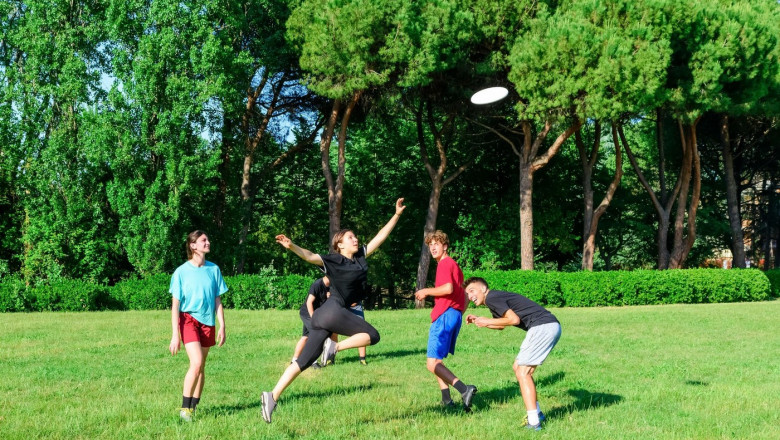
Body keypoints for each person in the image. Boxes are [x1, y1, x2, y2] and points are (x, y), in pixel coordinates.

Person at [261, 198, 406, 423]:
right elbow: (309, 256)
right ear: (340, 244)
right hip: (333, 310)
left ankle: (272, 396)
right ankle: (334, 346)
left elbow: (380, 237)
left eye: (355, 236)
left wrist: (396, 215)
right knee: (373, 336)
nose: (355, 239)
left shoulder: (359, 257)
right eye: (350, 237)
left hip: (323, 316)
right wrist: (291, 246)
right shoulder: (333, 260)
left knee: (303, 362)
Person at [463, 277, 561, 431]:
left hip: (542, 326)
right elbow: (502, 325)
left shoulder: (492, 298)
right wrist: (480, 321)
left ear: (483, 288)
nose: (470, 296)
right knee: (518, 367)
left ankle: (534, 422)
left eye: (472, 290)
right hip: (547, 326)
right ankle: (538, 413)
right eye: (467, 294)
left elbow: (513, 320)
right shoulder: (493, 299)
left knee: (523, 372)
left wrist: (486, 320)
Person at [168, 230, 228, 422]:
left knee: (201, 366)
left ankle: (193, 407)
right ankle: (184, 409)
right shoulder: (181, 272)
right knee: (195, 363)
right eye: (203, 240)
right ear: (193, 246)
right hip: (188, 320)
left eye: (207, 239)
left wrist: (222, 325)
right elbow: (175, 305)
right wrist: (175, 335)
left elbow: (217, 299)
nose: (208, 242)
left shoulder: (214, 269)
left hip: (207, 322)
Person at [414, 230, 477, 411]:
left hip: (444, 315)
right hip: (454, 316)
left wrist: (426, 291)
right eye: (430, 245)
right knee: (437, 361)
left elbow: (448, 288)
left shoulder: (444, 264)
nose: (433, 247)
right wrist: (458, 313)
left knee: (431, 363)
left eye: (437, 244)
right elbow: (464, 296)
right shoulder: (455, 266)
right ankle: (446, 399)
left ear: (445, 246)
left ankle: (464, 389)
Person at [291, 277, 331, 365]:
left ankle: (294, 359)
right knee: (315, 335)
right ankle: (313, 360)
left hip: (316, 314)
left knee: (305, 337)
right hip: (307, 313)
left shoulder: (331, 286)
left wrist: (329, 298)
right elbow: (309, 302)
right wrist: (313, 319)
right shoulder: (317, 285)